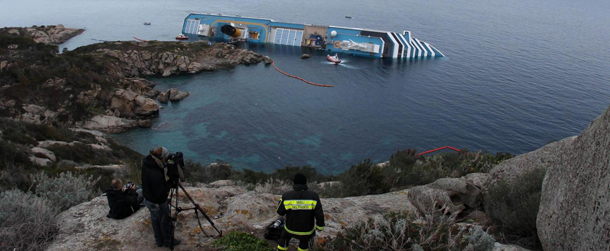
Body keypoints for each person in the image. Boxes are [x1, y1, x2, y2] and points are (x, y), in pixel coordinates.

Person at [142, 146, 181, 248]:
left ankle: (159, 241)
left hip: (148, 198)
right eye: (166, 158)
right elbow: (161, 194)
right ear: (162, 158)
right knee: (165, 221)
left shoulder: (148, 162)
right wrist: (169, 183)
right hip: (156, 201)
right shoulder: (155, 174)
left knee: (155, 219)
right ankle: (168, 241)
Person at [276, 173, 325, 251]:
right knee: (304, 245)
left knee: (284, 239)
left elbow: (280, 212)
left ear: (294, 183)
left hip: (290, 229)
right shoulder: (314, 196)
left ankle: (282, 248)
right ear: (305, 183)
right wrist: (320, 226)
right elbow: (319, 214)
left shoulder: (287, 196)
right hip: (307, 230)